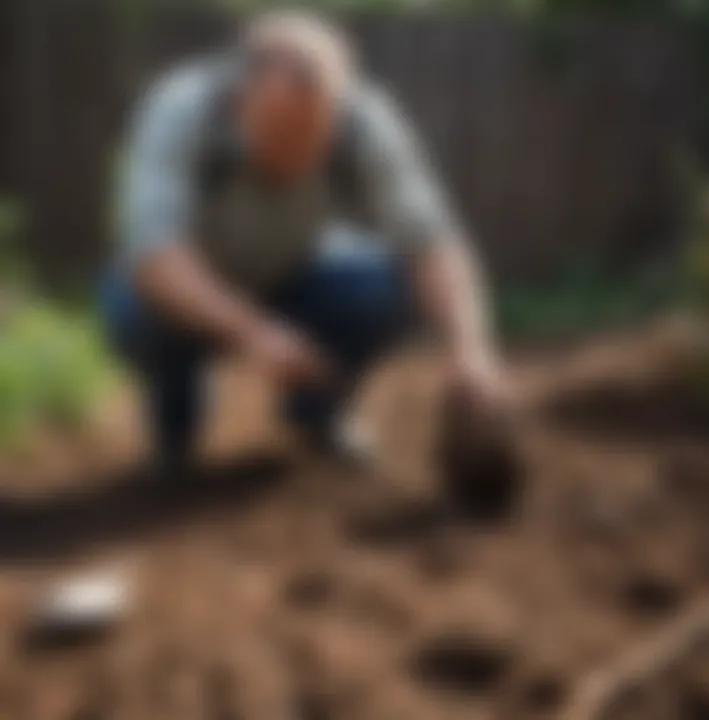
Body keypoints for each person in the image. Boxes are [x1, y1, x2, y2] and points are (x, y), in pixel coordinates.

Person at [101, 10, 509, 475]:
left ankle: (319, 414)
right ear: (241, 99)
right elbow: (155, 257)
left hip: (295, 270)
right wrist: (251, 333)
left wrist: (470, 353)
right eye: (279, 139)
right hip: (191, 279)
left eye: (312, 141)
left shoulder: (365, 121)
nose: (295, 161)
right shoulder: (181, 108)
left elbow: (432, 238)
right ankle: (175, 424)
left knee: (382, 290)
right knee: (137, 311)